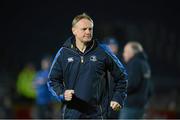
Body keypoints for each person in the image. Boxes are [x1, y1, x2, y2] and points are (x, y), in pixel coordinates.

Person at [47, 13, 128, 119]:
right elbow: (52, 80)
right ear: (74, 31)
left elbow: (122, 77)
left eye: (90, 29)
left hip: (97, 115)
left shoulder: (103, 51)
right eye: (84, 29)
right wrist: (62, 94)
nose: (88, 32)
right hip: (72, 115)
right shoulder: (63, 53)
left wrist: (118, 98)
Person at [120, 41, 152, 119]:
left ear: (131, 52)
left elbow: (132, 83)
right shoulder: (145, 64)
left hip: (130, 106)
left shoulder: (135, 63)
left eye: (125, 51)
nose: (123, 54)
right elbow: (150, 89)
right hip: (141, 106)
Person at [104, 37, 121, 119]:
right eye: (110, 46)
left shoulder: (122, 62)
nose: (112, 48)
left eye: (114, 46)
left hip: (116, 101)